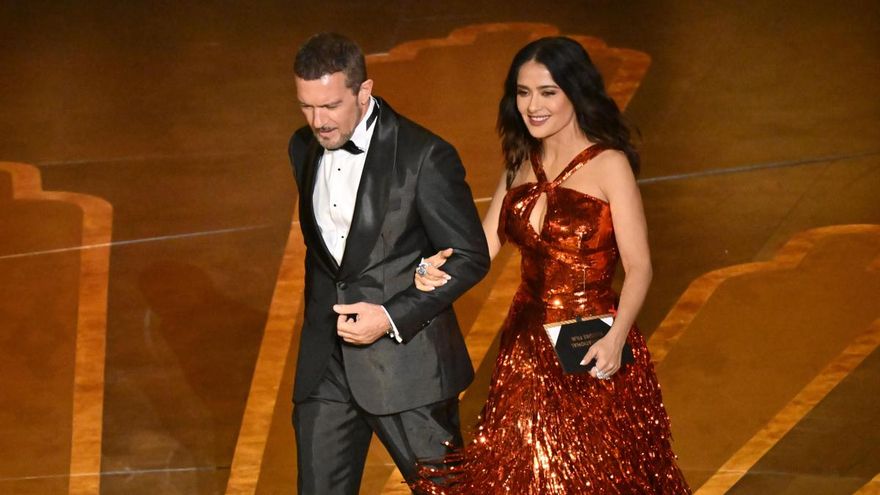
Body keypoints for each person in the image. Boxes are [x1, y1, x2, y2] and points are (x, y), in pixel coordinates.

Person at [412, 37, 691, 493]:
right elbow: (479, 249)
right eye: (523, 93)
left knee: (596, 478)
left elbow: (640, 268)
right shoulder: (519, 165)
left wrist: (617, 340)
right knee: (526, 474)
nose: (532, 106)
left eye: (547, 92)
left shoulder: (610, 165)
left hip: (594, 347)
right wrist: (434, 267)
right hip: (525, 349)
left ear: (575, 93)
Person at [287, 33, 490, 494]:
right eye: (306, 107)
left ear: (364, 91)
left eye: (331, 106)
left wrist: (391, 315)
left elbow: (470, 256)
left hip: (408, 368)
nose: (318, 122)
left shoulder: (424, 156)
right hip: (327, 367)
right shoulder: (302, 148)